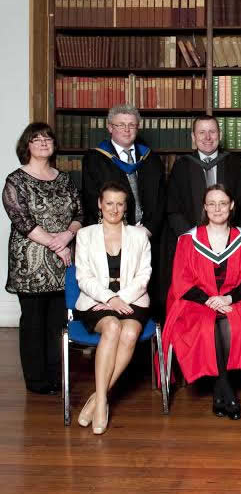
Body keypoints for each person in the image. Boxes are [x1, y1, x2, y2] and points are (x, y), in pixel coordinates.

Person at [162, 185, 241, 420]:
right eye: (212, 203)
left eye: (223, 203)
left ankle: (220, 392)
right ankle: (227, 391)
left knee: (230, 323)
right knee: (206, 325)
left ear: (231, 206)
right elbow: (181, 281)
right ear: (205, 207)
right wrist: (208, 300)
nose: (217, 209)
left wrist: (227, 298)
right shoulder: (188, 240)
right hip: (196, 302)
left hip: (235, 301)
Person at [2, 123, 82, 394]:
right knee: (34, 322)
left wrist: (68, 236)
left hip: (62, 260)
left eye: (47, 138)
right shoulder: (16, 180)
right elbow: (21, 220)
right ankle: (36, 381)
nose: (43, 142)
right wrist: (57, 244)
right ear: (26, 146)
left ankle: (56, 376)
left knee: (58, 321)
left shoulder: (64, 178)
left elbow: (80, 214)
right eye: (36, 139)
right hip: (31, 261)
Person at [73, 182, 152, 435]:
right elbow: (83, 278)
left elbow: (144, 275)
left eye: (120, 204)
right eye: (109, 203)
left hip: (133, 299)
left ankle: (98, 399)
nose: (114, 209)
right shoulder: (85, 235)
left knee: (129, 332)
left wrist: (121, 298)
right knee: (113, 327)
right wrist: (110, 299)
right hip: (95, 300)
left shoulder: (139, 235)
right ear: (100, 204)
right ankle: (102, 403)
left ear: (126, 206)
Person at [165, 116, 241, 295]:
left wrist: (235, 238)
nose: (207, 137)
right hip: (195, 247)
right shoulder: (182, 166)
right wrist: (193, 239)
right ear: (193, 137)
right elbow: (173, 209)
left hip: (231, 246)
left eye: (212, 131)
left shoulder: (236, 163)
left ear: (220, 134)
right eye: (201, 132)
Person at [82, 104, 165, 313]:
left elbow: (161, 199)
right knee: (115, 290)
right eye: (121, 125)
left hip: (148, 235)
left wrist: (148, 229)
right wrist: (123, 232)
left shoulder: (151, 159)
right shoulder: (95, 159)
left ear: (138, 127)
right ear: (110, 127)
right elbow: (92, 198)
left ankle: (144, 333)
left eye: (131, 125)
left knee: (147, 292)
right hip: (113, 237)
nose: (127, 130)